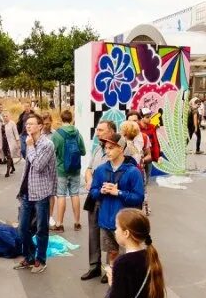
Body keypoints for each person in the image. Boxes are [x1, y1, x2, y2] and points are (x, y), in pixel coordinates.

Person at [81, 120, 131, 282]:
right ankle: (94, 266)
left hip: (112, 200)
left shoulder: (124, 150)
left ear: (111, 132)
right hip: (96, 196)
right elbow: (89, 169)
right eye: (97, 130)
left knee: (113, 235)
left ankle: (110, 270)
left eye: (101, 130)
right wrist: (89, 180)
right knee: (94, 233)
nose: (97, 133)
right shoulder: (97, 149)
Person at [89, 134, 145, 280]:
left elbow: (139, 197)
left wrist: (118, 192)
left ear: (121, 149)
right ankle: (113, 280)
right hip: (106, 221)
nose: (107, 151)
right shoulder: (101, 170)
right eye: (106, 148)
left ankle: (126, 282)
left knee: (127, 253)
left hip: (125, 224)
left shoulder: (133, 171)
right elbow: (93, 192)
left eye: (111, 148)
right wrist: (100, 191)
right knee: (112, 252)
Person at [15, 114, 56, 273]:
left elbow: (38, 165)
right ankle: (29, 256)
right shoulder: (29, 142)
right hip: (26, 191)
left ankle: (41, 259)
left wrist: (30, 147)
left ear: (40, 126)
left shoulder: (47, 144)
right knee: (22, 229)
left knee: (41, 229)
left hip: (41, 192)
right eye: (27, 124)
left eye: (31, 124)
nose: (28, 127)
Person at [50, 109, 85, 232]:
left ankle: (59, 224)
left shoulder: (57, 134)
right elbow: (83, 151)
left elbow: (51, 153)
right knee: (75, 194)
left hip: (61, 169)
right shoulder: (77, 133)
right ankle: (77, 223)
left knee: (61, 195)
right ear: (71, 119)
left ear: (61, 118)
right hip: (75, 169)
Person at [0, 106, 19, 177]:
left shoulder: (12, 123)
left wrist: (18, 142)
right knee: (7, 156)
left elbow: (16, 133)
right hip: (4, 142)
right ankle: (13, 168)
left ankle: (7, 172)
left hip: (11, 142)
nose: (5, 117)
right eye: (4, 116)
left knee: (9, 155)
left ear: (9, 116)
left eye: (6, 116)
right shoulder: (1, 125)